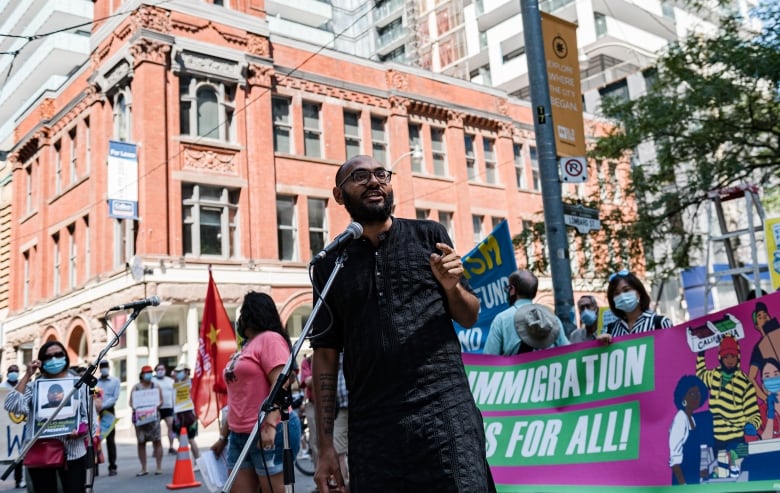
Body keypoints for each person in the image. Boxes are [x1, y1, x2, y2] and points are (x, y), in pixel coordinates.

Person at [310, 155, 495, 493]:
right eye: (360, 176)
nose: (374, 181)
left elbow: (469, 315)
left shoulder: (430, 236)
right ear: (339, 196)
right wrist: (325, 448)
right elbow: (324, 354)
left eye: (381, 174)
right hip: (373, 429)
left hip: (445, 415)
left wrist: (452, 286)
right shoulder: (330, 265)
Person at [211, 291, 301, 493]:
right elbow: (239, 399)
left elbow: (281, 383)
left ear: (252, 314)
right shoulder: (246, 347)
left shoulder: (270, 339)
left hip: (268, 430)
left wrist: (269, 424)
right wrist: (223, 437)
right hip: (239, 435)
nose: (239, 320)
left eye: (242, 313)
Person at [4, 341, 90, 493]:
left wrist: (80, 430)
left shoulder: (79, 385)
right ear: (41, 361)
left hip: (73, 452)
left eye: (58, 355)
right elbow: (12, 405)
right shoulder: (35, 386)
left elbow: (89, 418)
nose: (54, 359)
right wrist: (27, 375)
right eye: (48, 357)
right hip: (41, 452)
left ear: (65, 357)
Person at [696, 336, 761, 478]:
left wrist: (752, 424)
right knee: (721, 475)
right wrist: (701, 355)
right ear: (720, 357)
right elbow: (700, 375)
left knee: (740, 466)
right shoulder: (714, 376)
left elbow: (754, 414)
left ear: (738, 357)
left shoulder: (745, 383)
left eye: (733, 356)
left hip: (738, 437)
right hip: (718, 437)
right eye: (726, 356)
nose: (730, 360)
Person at [483, 269, 568, 355]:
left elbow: (489, 360)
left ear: (512, 290)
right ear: (534, 293)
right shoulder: (553, 320)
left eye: (508, 288)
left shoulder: (501, 320)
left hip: (514, 368)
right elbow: (568, 354)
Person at [599, 270, 672, 344]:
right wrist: (600, 345)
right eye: (616, 293)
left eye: (626, 290)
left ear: (638, 292)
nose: (622, 296)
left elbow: (674, 351)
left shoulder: (660, 323)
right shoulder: (611, 329)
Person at [668, 375, 713, 485]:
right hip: (682, 482)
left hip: (692, 479)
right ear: (683, 398)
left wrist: (699, 473)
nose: (696, 397)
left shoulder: (691, 418)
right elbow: (675, 461)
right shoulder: (680, 419)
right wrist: (684, 485)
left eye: (698, 394)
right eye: (692, 394)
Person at [129, 365, 163, 476]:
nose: (148, 375)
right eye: (146, 373)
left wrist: (154, 407)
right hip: (141, 420)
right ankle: (144, 468)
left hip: (153, 419)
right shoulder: (136, 388)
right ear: (142, 375)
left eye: (150, 372)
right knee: (141, 443)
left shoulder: (156, 387)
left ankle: (159, 467)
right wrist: (138, 408)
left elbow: (161, 401)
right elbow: (131, 402)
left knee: (157, 441)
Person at [748, 301, 780, 402]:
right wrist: (766, 398)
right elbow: (751, 378)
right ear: (757, 326)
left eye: (766, 315)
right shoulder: (759, 349)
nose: (764, 318)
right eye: (760, 317)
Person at [0, 364, 25, 488]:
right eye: (11, 371)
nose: (13, 372)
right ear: (8, 372)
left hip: (19, 425)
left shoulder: (23, 386)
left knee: (18, 454)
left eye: (16, 371)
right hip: (5, 426)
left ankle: (18, 480)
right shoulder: (1, 388)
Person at [96, 360, 120, 476]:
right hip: (96, 412)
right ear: (100, 369)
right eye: (102, 367)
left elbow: (114, 398)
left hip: (109, 411)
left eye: (106, 366)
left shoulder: (115, 381)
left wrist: (102, 406)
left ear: (109, 368)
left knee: (110, 440)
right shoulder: (95, 382)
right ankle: (94, 467)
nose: (104, 368)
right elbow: (93, 396)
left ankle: (112, 466)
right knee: (95, 440)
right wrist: (97, 407)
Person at [172, 366, 200, 462]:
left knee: (191, 439)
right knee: (181, 439)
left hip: (190, 413)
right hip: (179, 415)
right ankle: (187, 461)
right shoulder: (176, 385)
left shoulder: (193, 383)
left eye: (180, 371)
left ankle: (198, 460)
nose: (178, 373)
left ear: (187, 371)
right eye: (177, 372)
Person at [152, 363, 176, 454]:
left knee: (171, 426)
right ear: (156, 371)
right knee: (156, 430)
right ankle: (156, 449)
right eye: (158, 369)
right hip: (156, 408)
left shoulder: (170, 381)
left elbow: (174, 394)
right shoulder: (152, 381)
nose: (160, 371)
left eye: (162, 369)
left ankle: (171, 446)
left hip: (168, 407)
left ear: (165, 370)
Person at [756, 357, 780, 440]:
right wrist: (770, 416)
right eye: (767, 376)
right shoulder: (760, 411)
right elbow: (764, 442)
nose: (772, 379)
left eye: (776, 374)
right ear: (763, 386)